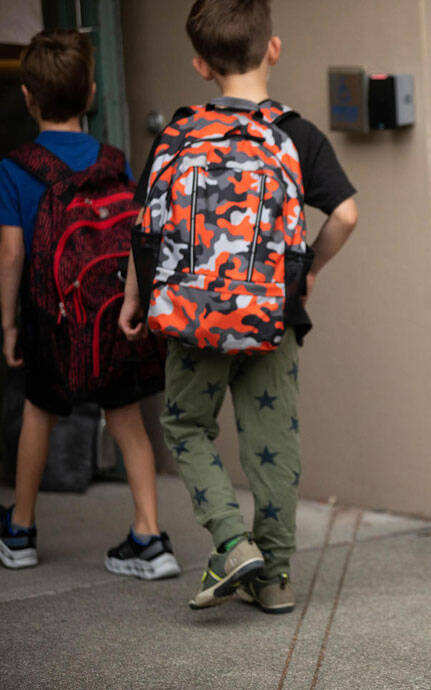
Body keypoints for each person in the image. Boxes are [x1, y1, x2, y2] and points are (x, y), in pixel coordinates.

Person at [119, 0, 357, 614]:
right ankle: (272, 577)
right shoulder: (297, 134)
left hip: (190, 318)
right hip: (272, 318)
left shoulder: (177, 132)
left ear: (201, 65)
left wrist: (135, 297)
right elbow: (347, 214)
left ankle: (230, 539)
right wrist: (303, 274)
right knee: (271, 440)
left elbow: (145, 226)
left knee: (185, 425)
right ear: (273, 49)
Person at [0, 29, 179, 580]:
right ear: (93, 93)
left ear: (27, 96)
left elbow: (11, 253)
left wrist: (8, 326)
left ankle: (22, 531)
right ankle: (149, 536)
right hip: (110, 314)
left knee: (39, 412)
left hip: (49, 319)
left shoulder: (16, 167)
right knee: (127, 420)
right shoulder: (113, 158)